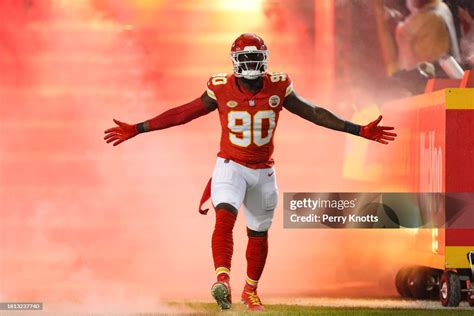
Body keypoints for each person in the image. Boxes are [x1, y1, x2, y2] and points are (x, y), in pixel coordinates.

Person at [103, 33, 397, 312]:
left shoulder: (278, 86)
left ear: (265, 58)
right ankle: (222, 280)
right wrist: (139, 128)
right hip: (230, 166)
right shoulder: (220, 87)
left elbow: (314, 112)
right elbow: (183, 113)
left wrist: (357, 130)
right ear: (234, 61)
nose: (252, 64)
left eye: (257, 57)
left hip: (264, 172)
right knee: (225, 215)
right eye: (246, 58)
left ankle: (250, 289)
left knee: (258, 233)